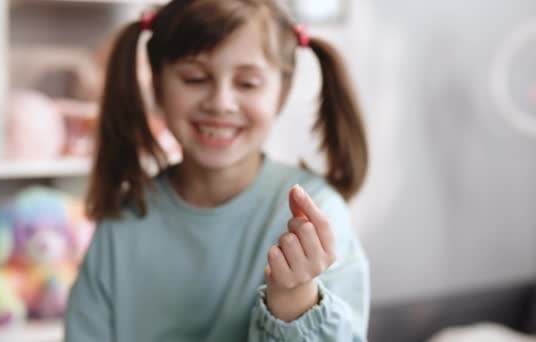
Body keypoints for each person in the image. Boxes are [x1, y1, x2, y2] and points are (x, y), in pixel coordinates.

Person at [64, 0, 370, 341]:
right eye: (195, 78)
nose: (221, 102)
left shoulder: (314, 215)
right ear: (158, 85)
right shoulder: (122, 222)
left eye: (248, 83)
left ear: (281, 93)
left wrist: (294, 300)